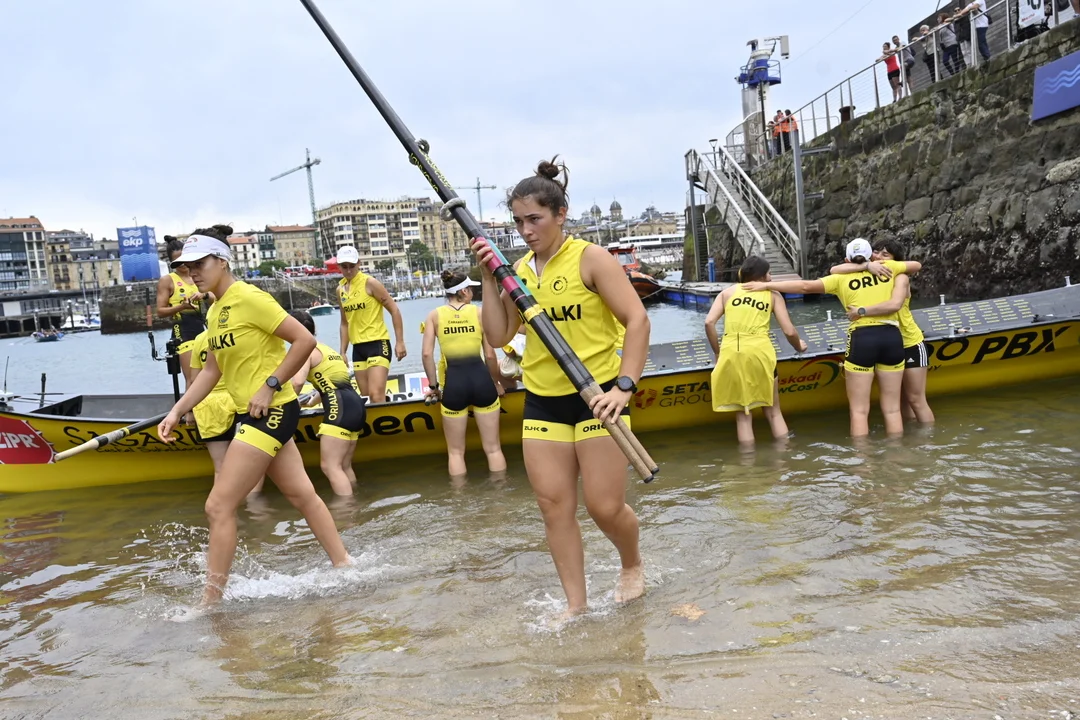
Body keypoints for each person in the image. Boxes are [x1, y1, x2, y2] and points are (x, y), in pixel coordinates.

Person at [471, 157, 650, 616]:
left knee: (604, 507)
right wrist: (490, 278)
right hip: (543, 401)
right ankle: (576, 605)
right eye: (518, 222)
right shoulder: (518, 270)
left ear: (560, 214)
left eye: (535, 219)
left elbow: (637, 320)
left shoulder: (591, 258)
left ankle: (631, 564)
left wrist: (624, 387)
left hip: (598, 396)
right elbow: (498, 336)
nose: (526, 230)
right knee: (553, 505)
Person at [157, 227, 351, 606]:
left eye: (200, 264)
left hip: (272, 410)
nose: (192, 272)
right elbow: (211, 371)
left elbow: (305, 340)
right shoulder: (215, 310)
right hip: (252, 414)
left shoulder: (249, 297)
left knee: (217, 506)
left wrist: (270, 385)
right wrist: (178, 410)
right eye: (187, 267)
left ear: (222, 261)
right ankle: (345, 564)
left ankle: (209, 604)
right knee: (302, 494)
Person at [742, 238, 915, 438]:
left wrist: (767, 286)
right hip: (892, 337)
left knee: (859, 411)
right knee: (893, 409)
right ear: (872, 257)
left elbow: (805, 286)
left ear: (846, 260)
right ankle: (897, 454)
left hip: (862, 338)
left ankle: (862, 457)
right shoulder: (890, 269)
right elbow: (914, 266)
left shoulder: (840, 279)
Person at [704, 256, 807, 445]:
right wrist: (799, 346)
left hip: (731, 353)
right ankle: (786, 456)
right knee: (773, 411)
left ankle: (748, 461)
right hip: (760, 353)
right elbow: (789, 331)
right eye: (769, 273)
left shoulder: (726, 293)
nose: (771, 277)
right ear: (761, 276)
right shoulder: (773, 295)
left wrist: (718, 353)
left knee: (743, 416)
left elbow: (709, 322)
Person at [830, 240, 934, 426]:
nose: (878, 257)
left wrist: (861, 311)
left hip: (909, 342)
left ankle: (927, 438)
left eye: (885, 255)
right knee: (900, 400)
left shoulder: (899, 276)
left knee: (915, 399)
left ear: (895, 260)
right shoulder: (870, 273)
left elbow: (896, 301)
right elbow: (834, 270)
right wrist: (867, 266)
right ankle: (911, 437)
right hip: (888, 341)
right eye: (876, 252)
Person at [421, 269, 507, 479]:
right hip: (482, 382)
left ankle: (460, 495)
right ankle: (501, 494)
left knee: (456, 452)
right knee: (493, 449)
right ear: (464, 291)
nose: (472, 293)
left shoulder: (434, 316)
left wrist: (434, 387)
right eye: (471, 289)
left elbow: (426, 354)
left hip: (454, 386)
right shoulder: (479, 313)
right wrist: (496, 383)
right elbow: (490, 355)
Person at [288, 309, 367, 496]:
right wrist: (310, 403)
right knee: (344, 466)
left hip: (339, 408)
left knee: (330, 467)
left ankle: (346, 510)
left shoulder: (304, 349)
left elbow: (297, 382)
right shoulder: (326, 349)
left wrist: (286, 404)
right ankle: (356, 503)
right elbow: (331, 384)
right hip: (355, 405)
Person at [336, 245, 406, 404]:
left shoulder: (370, 283)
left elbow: (394, 310)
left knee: (376, 396)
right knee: (366, 397)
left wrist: (400, 342)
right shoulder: (340, 290)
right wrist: (343, 351)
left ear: (359, 263)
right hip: (358, 348)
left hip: (378, 343)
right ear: (339, 266)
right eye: (344, 267)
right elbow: (344, 323)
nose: (348, 270)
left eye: (352, 266)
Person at [157, 236, 208, 386]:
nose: (183, 264)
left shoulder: (198, 276)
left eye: (184, 259)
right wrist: (181, 307)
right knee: (192, 380)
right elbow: (160, 311)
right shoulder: (167, 280)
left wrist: (204, 295)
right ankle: (188, 403)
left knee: (207, 379)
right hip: (182, 332)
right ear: (171, 262)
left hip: (203, 330)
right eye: (177, 261)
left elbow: (214, 296)